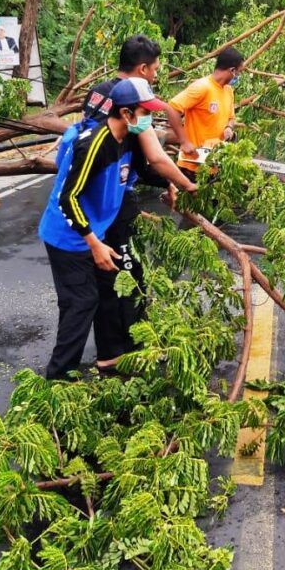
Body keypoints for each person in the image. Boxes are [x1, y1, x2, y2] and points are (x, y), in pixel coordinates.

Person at [38, 77, 183, 380]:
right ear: (127, 114)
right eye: (144, 114)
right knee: (80, 303)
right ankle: (58, 381)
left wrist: (170, 182)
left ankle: (109, 359)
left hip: (96, 233)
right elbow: (69, 197)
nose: (149, 121)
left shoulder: (129, 139)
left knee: (109, 290)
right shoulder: (94, 144)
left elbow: (144, 171)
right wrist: (93, 243)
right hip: (68, 236)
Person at [79, 35, 197, 361]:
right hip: (113, 202)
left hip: (98, 200)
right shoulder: (131, 105)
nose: (156, 76)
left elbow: (141, 161)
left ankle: (114, 352)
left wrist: (166, 180)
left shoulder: (97, 94)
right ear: (142, 69)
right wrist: (187, 185)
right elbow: (154, 158)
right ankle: (126, 353)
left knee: (111, 279)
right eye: (155, 70)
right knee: (127, 277)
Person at [167, 47, 242, 180]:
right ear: (232, 71)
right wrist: (184, 141)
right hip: (193, 165)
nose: (239, 76)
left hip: (215, 164)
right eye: (239, 72)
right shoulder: (202, 87)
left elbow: (231, 117)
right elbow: (172, 108)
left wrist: (229, 127)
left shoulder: (228, 90)